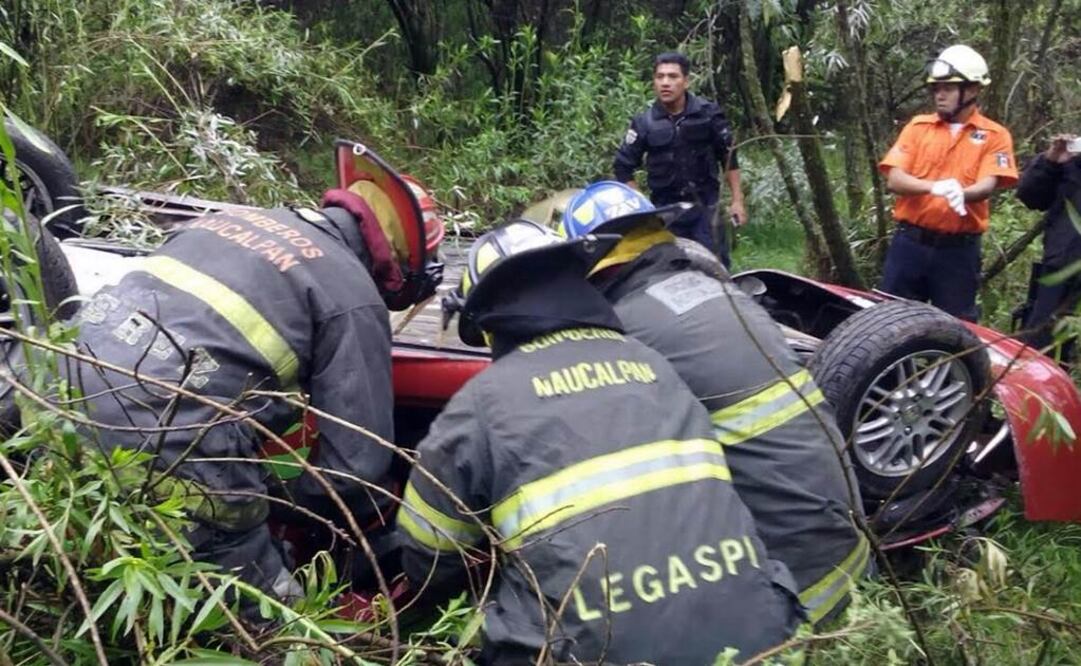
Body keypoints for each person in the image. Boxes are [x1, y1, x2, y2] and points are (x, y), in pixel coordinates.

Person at [3, 162, 444, 598]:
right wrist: (300, 516)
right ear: (401, 259)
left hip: (51, 394)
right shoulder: (352, 295)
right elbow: (353, 474)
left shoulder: (231, 220)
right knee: (267, 614)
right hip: (169, 437)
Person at [397, 220, 802, 664]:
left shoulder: (479, 404)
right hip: (761, 639)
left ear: (489, 321)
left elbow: (430, 557)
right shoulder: (657, 366)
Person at [559, 181, 868, 625]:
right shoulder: (724, 297)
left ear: (588, 265)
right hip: (849, 558)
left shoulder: (623, 334)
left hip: (792, 598)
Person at [877, 44, 1018, 321]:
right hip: (910, 244)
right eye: (936, 88)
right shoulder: (918, 128)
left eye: (948, 88)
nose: (939, 95)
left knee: (954, 329)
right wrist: (934, 187)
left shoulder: (994, 135)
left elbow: (988, 184)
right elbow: (895, 179)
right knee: (888, 321)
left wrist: (963, 193)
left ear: (973, 89)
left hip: (958, 252)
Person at [613, 51, 745, 267]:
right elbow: (623, 166)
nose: (665, 83)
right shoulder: (644, 123)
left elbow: (729, 156)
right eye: (660, 76)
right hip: (665, 213)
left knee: (714, 269)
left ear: (686, 81)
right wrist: (643, 208)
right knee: (668, 273)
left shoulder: (708, 114)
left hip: (705, 207)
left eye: (673, 77)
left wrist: (737, 200)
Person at [1016, 133, 1081, 356]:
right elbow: (1031, 197)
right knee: (1040, 346)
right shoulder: (1073, 158)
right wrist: (1051, 161)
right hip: (1062, 267)